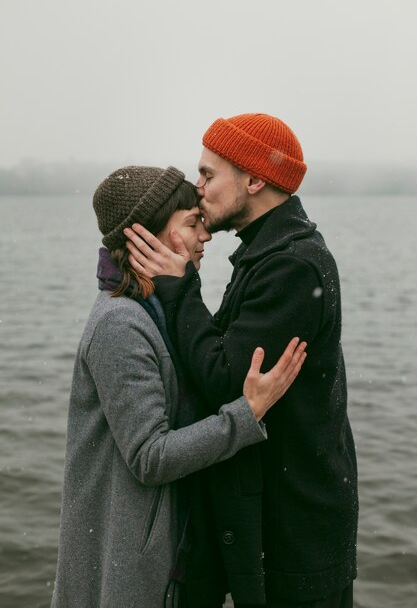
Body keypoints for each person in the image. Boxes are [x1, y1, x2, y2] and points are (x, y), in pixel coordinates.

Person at [124, 114, 359, 608]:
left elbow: (226, 381)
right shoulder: (268, 252)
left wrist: (178, 284)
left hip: (298, 535)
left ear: (254, 180)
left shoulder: (291, 265)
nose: (198, 186)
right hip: (275, 518)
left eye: (209, 174)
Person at [51, 165, 307, 608]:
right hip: (131, 567)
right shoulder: (120, 323)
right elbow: (150, 457)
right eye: (191, 223)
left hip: (167, 551)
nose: (205, 235)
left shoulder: (156, 307)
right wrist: (246, 414)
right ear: (145, 237)